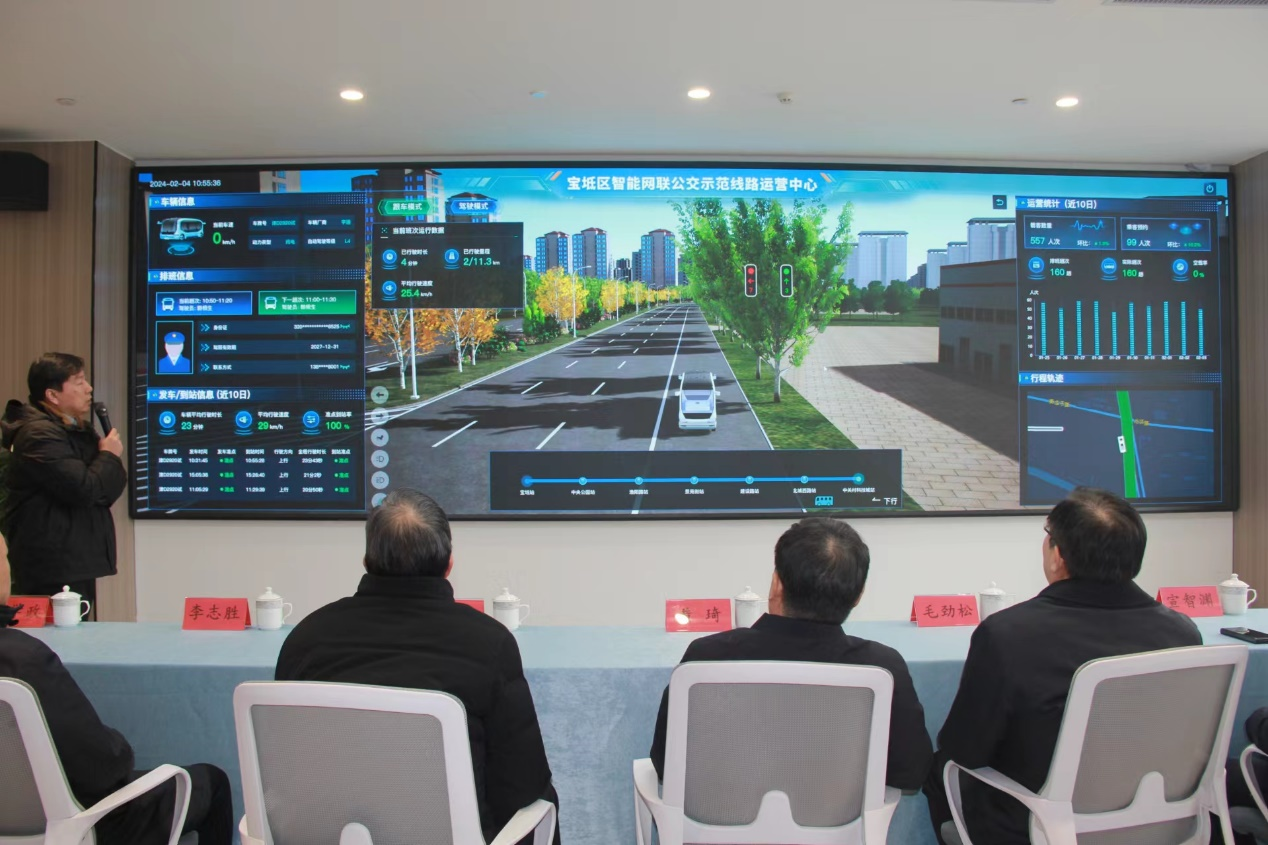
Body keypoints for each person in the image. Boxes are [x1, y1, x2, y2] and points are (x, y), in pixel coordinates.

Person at [275, 489, 560, 842]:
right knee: (540, 800)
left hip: (331, 835)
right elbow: (521, 784)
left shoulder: (306, 639)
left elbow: (286, 772)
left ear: (366, 561)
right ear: (449, 564)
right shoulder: (489, 642)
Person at [926, 487, 1202, 844]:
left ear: (1057, 556)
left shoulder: (1008, 634)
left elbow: (965, 749)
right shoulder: (1181, 632)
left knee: (939, 771)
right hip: (1157, 820)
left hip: (1038, 824)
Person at [649, 516, 933, 791]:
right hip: (834, 823)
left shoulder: (708, 656)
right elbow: (910, 773)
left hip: (720, 821)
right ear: (858, 595)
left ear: (776, 584)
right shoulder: (882, 666)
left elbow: (666, 763)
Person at [0, 534, 233, 845]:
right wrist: (118, 745)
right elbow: (103, 768)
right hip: (76, 827)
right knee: (211, 783)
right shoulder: (24, 660)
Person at [1, 353, 127, 608]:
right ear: (53, 395)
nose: (89, 388)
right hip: (51, 563)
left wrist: (107, 462)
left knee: (77, 627)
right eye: (79, 382)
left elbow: (107, 489)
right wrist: (108, 455)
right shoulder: (39, 435)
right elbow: (85, 490)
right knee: (56, 630)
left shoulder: (77, 429)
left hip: (75, 557)